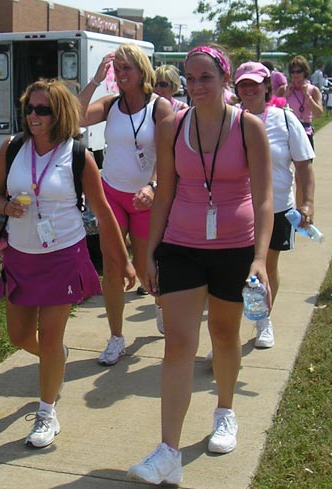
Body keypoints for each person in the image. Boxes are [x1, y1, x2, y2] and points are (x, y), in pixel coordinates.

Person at [127, 45, 273, 485]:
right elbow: (166, 191)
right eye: (190, 79)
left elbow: (265, 199)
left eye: (205, 77)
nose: (196, 86)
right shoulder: (173, 125)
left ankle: (225, 412)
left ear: (223, 79)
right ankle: (168, 451)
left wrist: (262, 260)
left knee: (224, 335)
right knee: (178, 343)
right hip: (182, 244)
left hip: (235, 246)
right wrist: (151, 250)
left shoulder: (249, 128)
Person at [0, 78, 135, 448]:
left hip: (63, 254)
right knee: (19, 337)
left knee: (51, 336)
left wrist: (124, 261)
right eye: (30, 108)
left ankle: (46, 412)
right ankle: (57, 358)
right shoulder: (12, 147)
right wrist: (4, 206)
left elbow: (103, 213)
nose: (34, 116)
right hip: (21, 256)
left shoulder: (78, 156)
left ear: (60, 114)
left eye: (43, 110)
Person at [78, 44, 174, 364]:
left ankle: (160, 306)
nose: (120, 75)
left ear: (142, 70)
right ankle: (116, 337)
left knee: (149, 267)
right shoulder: (109, 105)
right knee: (113, 267)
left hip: (147, 199)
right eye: (116, 69)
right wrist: (94, 80)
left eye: (126, 68)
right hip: (112, 196)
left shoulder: (159, 108)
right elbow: (75, 117)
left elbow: (167, 154)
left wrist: (153, 185)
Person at [234, 61, 315, 349]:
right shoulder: (230, 119)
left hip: (278, 206)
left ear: (267, 86)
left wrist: (307, 203)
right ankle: (228, 334)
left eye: (255, 83)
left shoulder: (284, 118)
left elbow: (304, 165)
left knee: (266, 265)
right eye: (243, 83)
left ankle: (263, 321)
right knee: (234, 270)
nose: (249, 88)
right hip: (237, 209)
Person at [284, 55, 323, 149]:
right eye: (293, 72)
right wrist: (285, 95)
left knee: (306, 164)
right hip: (288, 132)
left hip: (305, 132)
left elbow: (318, 114)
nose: (295, 74)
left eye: (298, 71)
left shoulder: (313, 90)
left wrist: (307, 95)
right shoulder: (285, 89)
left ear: (305, 72)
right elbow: (273, 109)